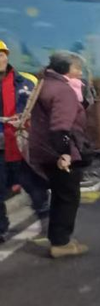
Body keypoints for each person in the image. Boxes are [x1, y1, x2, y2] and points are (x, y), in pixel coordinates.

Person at [27, 52, 91, 258]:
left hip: (42, 149)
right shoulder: (63, 90)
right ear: (64, 69)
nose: (80, 72)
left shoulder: (45, 83)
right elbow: (60, 127)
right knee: (68, 197)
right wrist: (65, 154)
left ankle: (59, 238)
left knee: (60, 196)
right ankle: (61, 243)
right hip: (58, 151)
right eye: (76, 68)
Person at [0, 39, 50, 241]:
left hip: (22, 145)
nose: (0, 57)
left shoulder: (26, 81)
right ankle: (1, 229)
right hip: (1, 149)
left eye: (2, 53)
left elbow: (41, 107)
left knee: (35, 188)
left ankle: (48, 224)